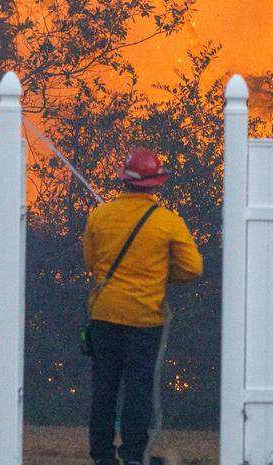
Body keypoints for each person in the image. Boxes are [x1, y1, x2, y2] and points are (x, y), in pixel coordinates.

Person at [83, 147, 203, 465]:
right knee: (138, 389)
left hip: (104, 316)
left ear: (125, 181)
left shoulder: (99, 216)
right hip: (143, 319)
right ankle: (134, 456)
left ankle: (102, 456)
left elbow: (91, 262)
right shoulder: (168, 222)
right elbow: (193, 268)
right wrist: (162, 274)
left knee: (104, 388)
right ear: (156, 184)